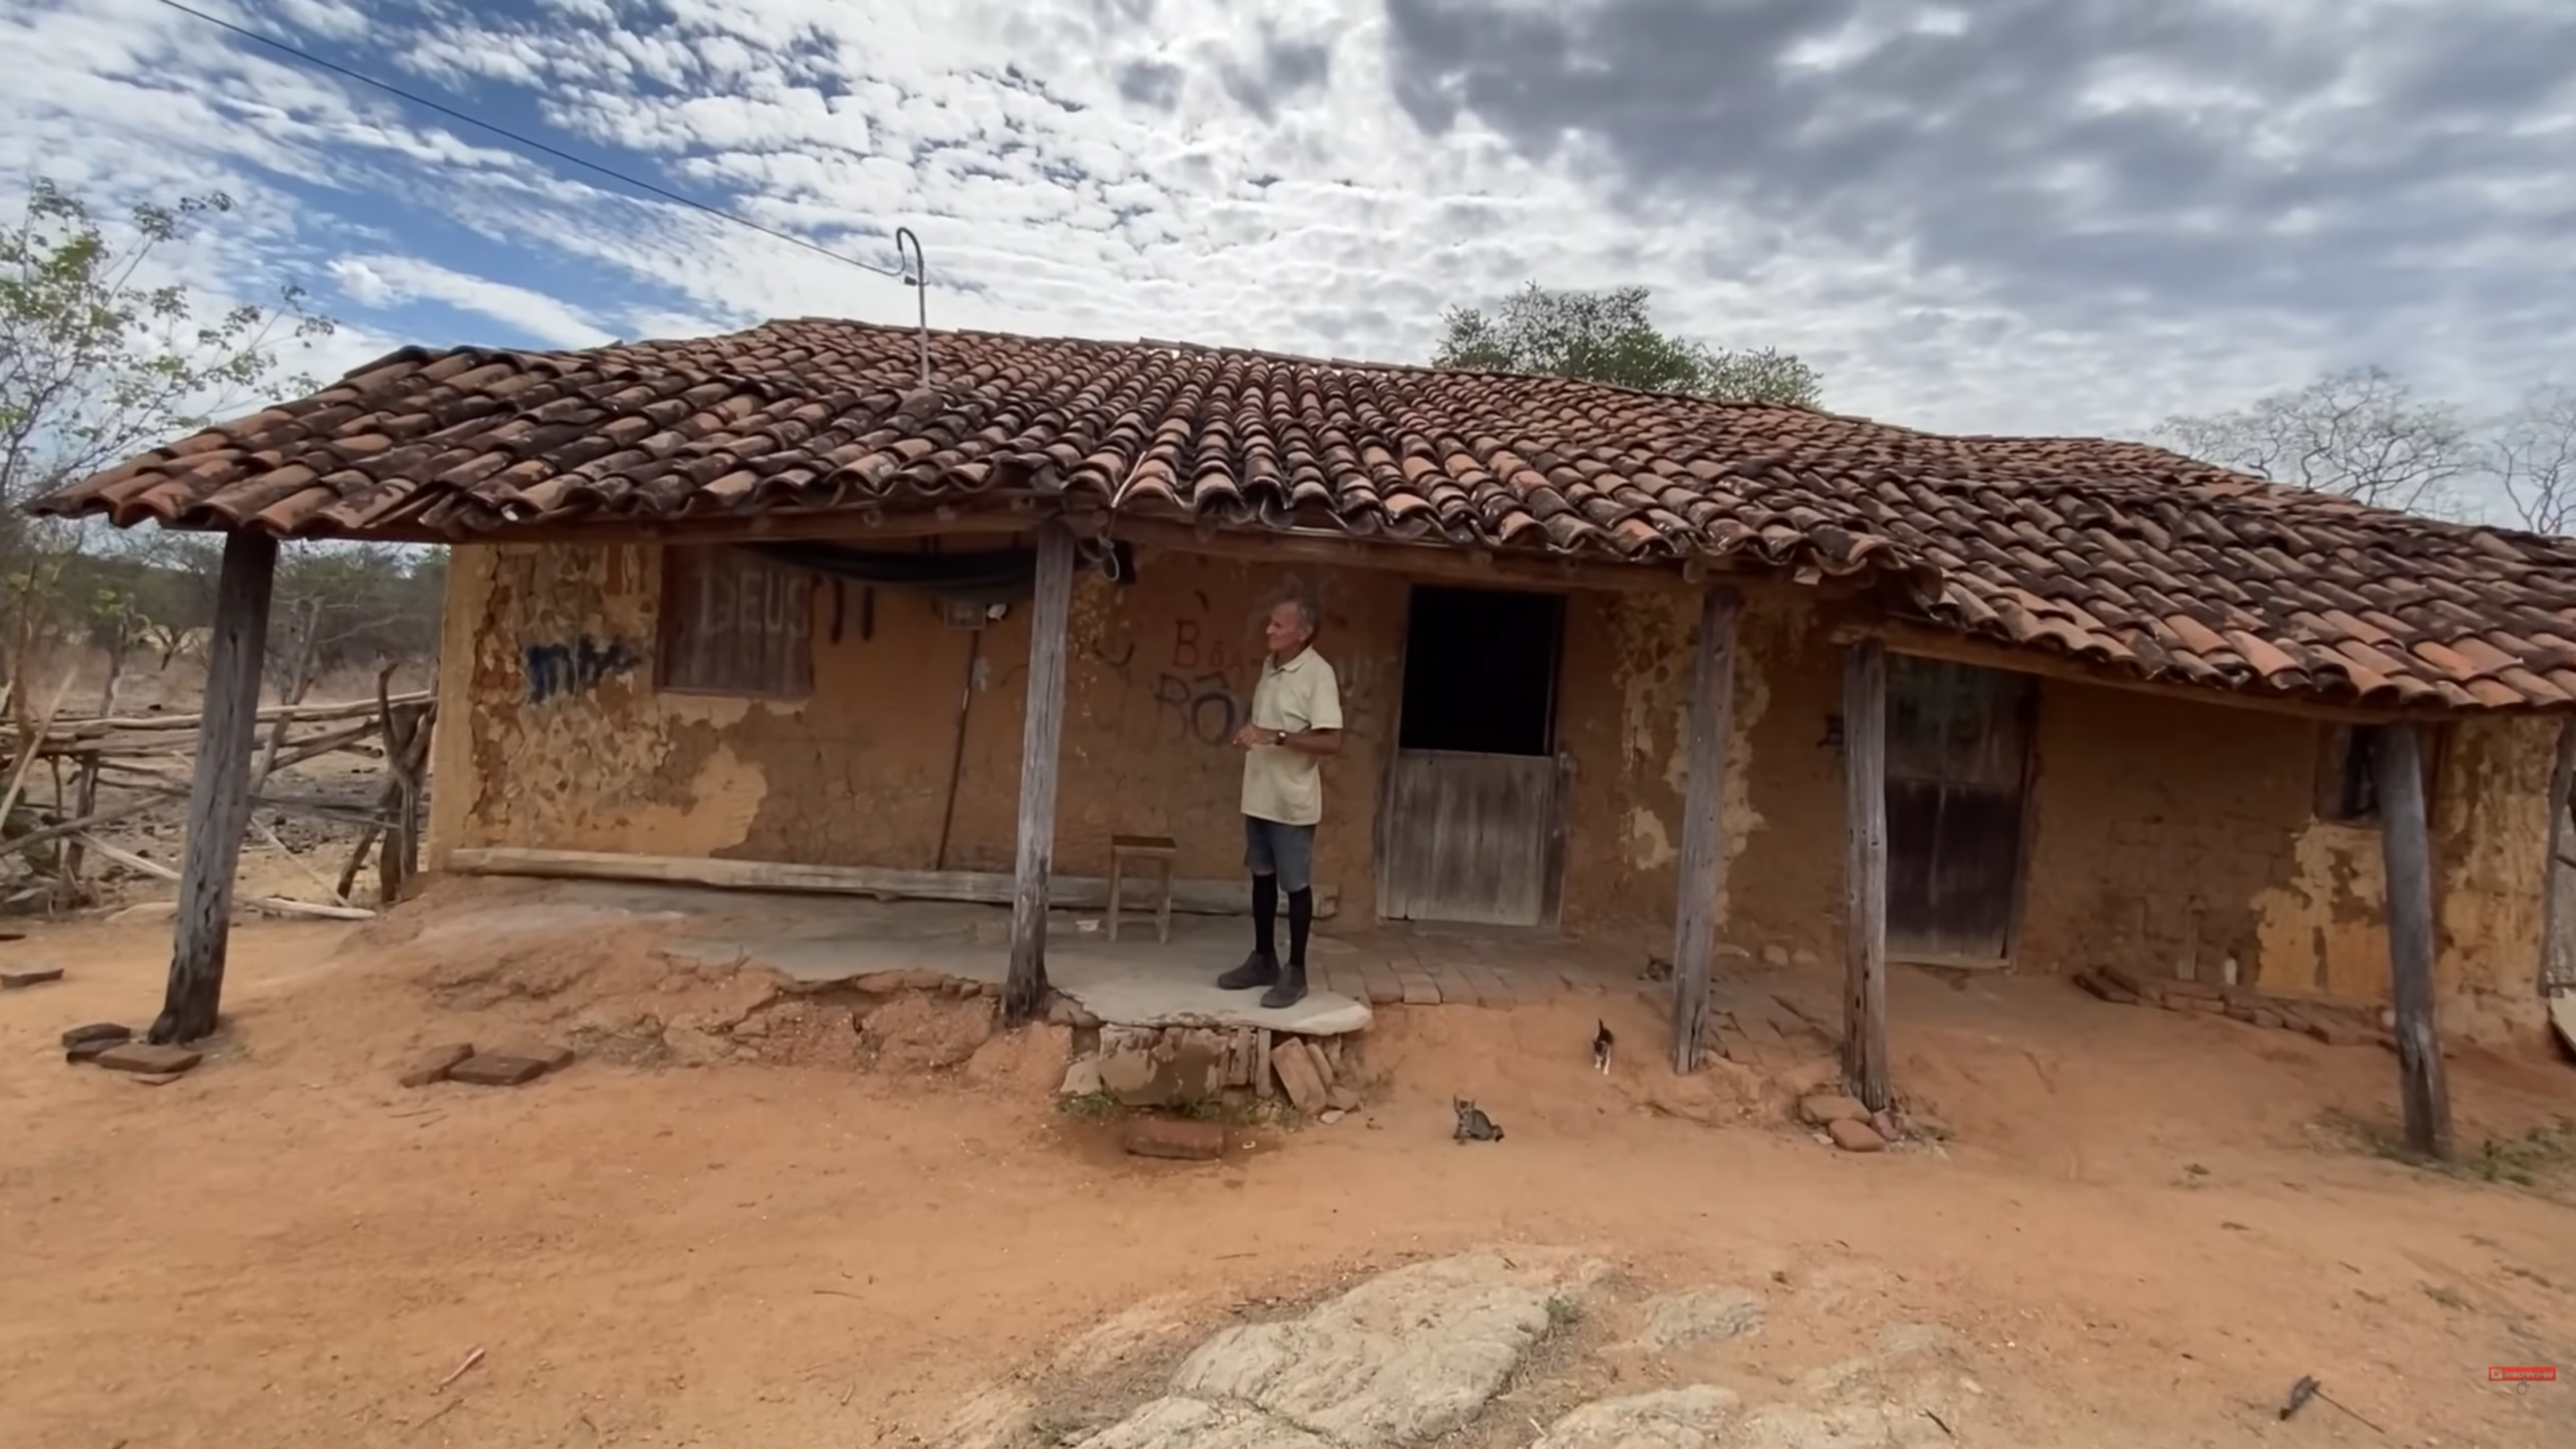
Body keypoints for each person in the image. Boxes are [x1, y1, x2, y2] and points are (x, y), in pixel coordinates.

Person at [1216, 593, 1343, 1008]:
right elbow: (1268, 724)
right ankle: (1264, 958)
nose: (1268, 630)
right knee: (1262, 878)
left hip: (1291, 801)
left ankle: (1297, 971)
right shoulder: (1270, 668)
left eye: (1278, 625)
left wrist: (1277, 736)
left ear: (1303, 633)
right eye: (1270, 623)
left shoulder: (1317, 674)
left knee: (1296, 886)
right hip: (1260, 795)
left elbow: (1332, 740)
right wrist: (1252, 732)